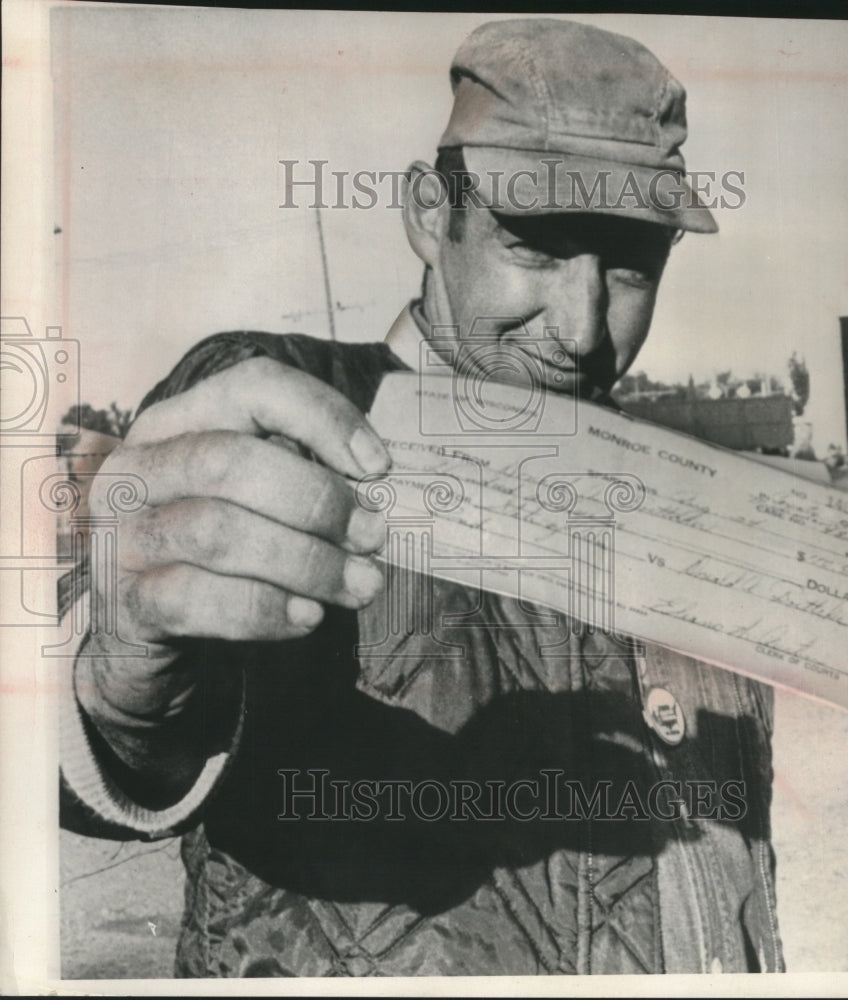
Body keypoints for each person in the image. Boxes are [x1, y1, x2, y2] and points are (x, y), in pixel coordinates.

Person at [60, 18, 784, 976]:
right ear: (425, 214)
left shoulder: (678, 500)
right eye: (534, 245)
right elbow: (108, 729)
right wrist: (119, 676)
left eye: (626, 264)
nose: (579, 331)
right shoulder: (280, 412)